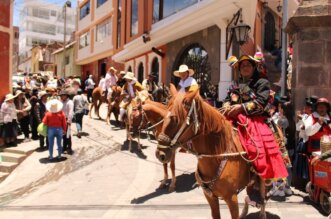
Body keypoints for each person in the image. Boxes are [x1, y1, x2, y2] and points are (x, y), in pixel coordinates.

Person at [223, 54, 288, 205]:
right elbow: (228, 99)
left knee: (257, 149)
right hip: (236, 118)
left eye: (248, 65)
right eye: (242, 66)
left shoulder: (262, 82)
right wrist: (227, 106)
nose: (245, 68)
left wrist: (240, 107)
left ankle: (258, 184)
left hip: (255, 119)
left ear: (253, 67)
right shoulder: (235, 84)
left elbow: (261, 102)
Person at [59, 90, 74, 155]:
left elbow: (71, 112)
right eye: (61, 96)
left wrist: (69, 121)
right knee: (63, 134)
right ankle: (64, 147)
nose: (62, 97)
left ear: (66, 96)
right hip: (61, 120)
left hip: (67, 119)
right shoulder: (61, 102)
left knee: (68, 134)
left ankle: (69, 147)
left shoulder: (70, 102)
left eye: (63, 96)